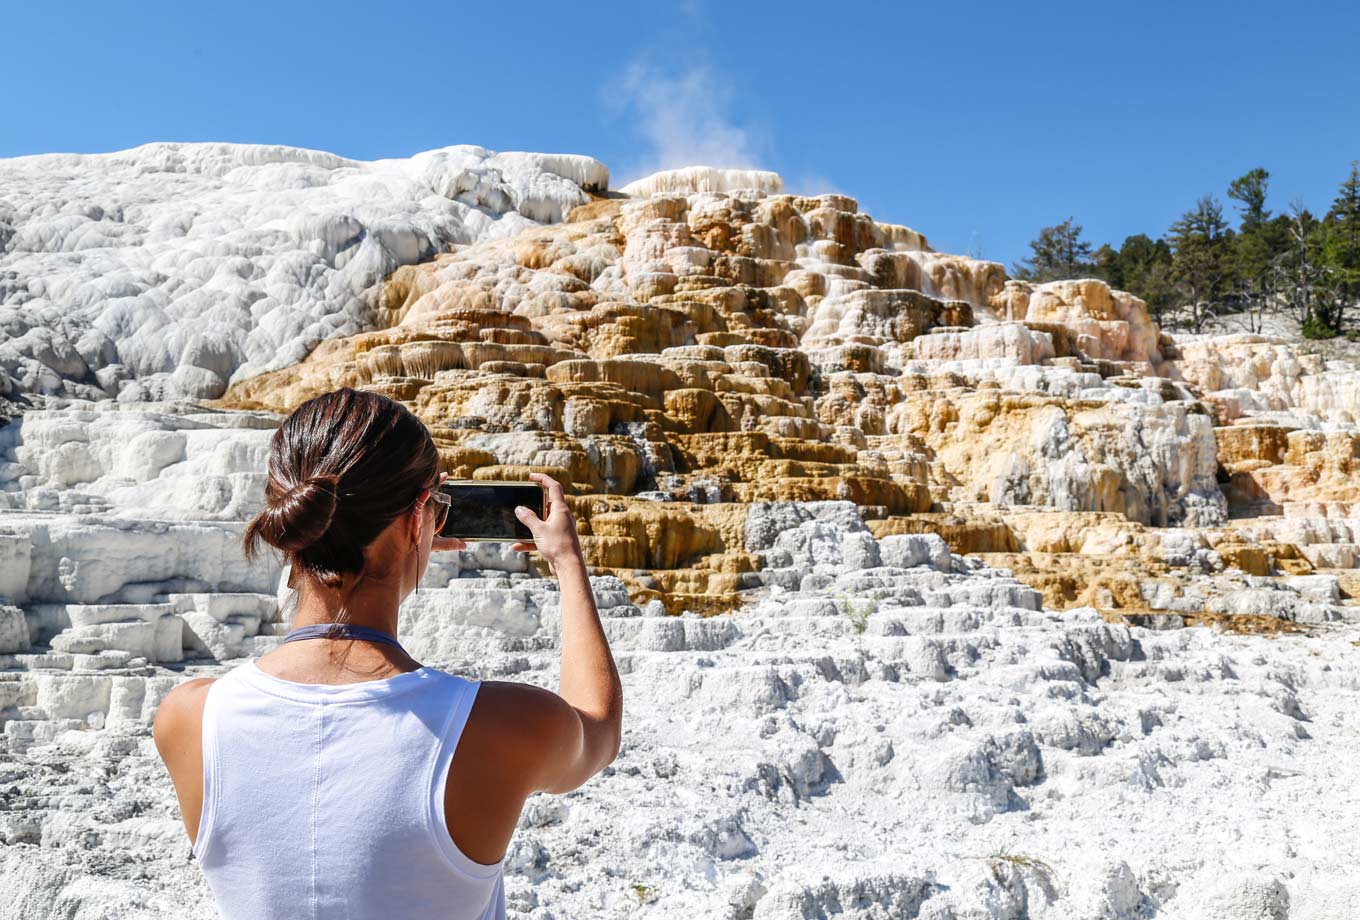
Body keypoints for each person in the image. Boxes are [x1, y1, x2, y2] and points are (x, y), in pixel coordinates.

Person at [153, 387, 623, 920]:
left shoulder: (187, 717)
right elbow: (600, 728)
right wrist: (566, 563)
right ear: (418, 516)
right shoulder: (502, 724)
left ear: (290, 519)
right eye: (436, 509)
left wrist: (407, 539)